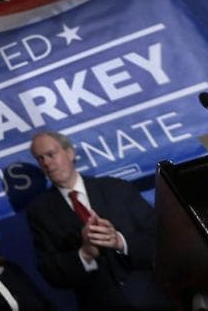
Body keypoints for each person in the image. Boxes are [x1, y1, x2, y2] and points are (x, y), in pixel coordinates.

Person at [26, 130, 173, 311]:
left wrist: (120, 241)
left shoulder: (116, 188)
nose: (46, 163)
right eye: (39, 159)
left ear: (70, 153)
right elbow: (50, 271)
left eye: (50, 154)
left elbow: (162, 238)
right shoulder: (40, 212)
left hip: (153, 299)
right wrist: (85, 254)